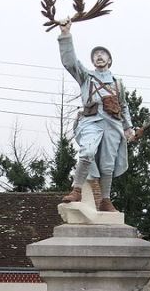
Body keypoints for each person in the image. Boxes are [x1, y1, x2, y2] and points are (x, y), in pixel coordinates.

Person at [57, 19, 134, 212]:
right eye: (96, 55)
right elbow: (70, 62)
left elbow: (123, 106)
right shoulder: (86, 76)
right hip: (92, 120)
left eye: (103, 54)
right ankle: (77, 189)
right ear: (93, 61)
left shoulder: (118, 83)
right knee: (87, 152)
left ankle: (105, 201)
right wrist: (66, 34)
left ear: (109, 60)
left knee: (107, 165)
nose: (99, 57)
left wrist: (128, 127)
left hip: (113, 125)